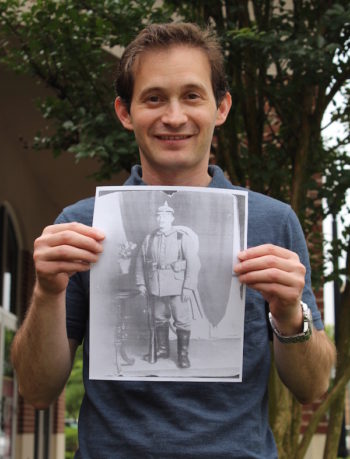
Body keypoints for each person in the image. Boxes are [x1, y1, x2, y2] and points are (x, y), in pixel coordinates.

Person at [12, 22, 336, 458]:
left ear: (220, 107)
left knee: (180, 325)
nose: (174, 116)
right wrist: (47, 291)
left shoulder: (272, 222)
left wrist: (289, 313)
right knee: (160, 326)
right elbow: (36, 390)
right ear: (126, 113)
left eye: (192, 95)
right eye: (154, 98)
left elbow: (312, 386)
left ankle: (180, 351)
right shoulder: (81, 226)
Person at [135, 201, 201, 368]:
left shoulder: (181, 237)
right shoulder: (149, 238)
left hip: (178, 288)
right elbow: (140, 261)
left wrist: (188, 287)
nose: (161, 219)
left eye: (165, 216)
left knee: (182, 321)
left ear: (172, 218)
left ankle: (182, 356)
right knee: (159, 319)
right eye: (158, 216)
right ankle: (163, 350)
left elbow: (194, 263)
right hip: (155, 287)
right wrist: (141, 283)